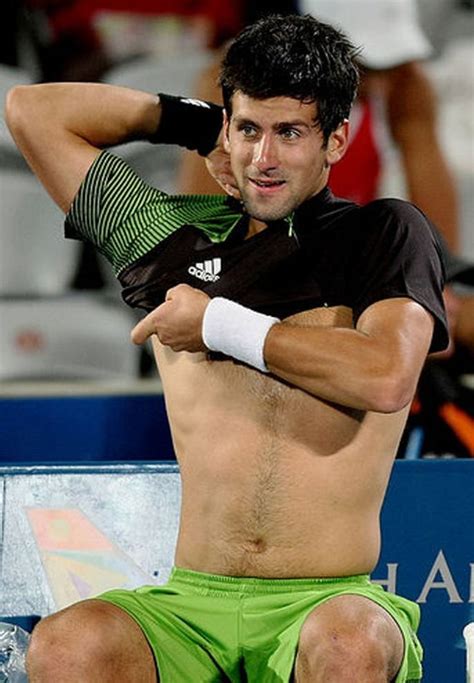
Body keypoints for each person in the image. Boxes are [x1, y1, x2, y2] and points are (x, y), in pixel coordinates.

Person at [6, 13, 448, 683]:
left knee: (349, 644)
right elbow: (32, 110)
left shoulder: (383, 233)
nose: (263, 158)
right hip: (190, 605)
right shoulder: (167, 239)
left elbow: (385, 376)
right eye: (248, 130)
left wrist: (216, 324)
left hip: (324, 601)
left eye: (289, 132)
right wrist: (195, 122)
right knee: (68, 646)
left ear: (335, 140)